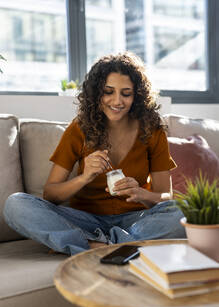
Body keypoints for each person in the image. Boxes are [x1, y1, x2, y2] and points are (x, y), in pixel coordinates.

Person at [3, 52, 186, 255]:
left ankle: (90, 246)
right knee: (15, 204)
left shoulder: (152, 131)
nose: (117, 101)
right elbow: (51, 194)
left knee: (185, 210)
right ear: (96, 92)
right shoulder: (79, 129)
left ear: (137, 96)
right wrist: (84, 177)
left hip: (135, 221)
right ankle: (120, 246)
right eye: (108, 91)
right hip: (85, 219)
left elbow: (166, 197)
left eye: (126, 93)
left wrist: (141, 194)